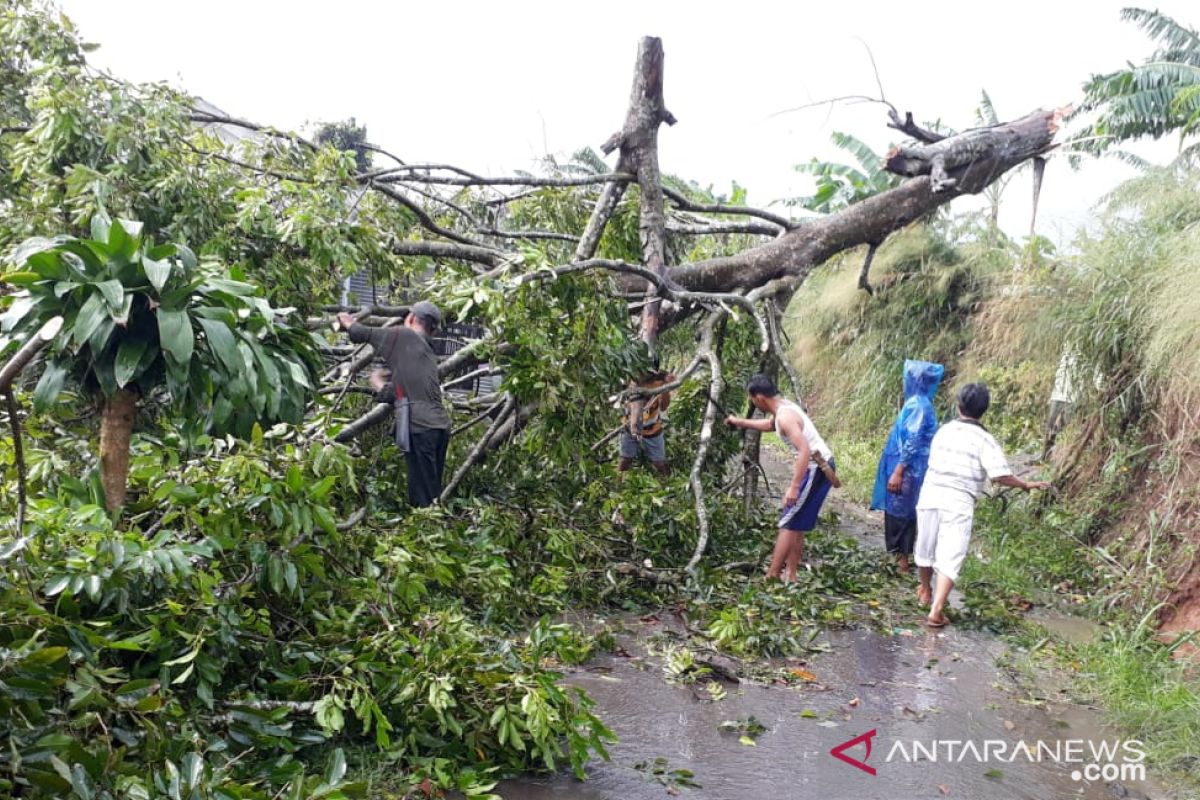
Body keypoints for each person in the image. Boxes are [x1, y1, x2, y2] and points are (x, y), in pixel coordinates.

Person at [915, 382, 1051, 627]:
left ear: (958, 406)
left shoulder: (944, 431)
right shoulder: (985, 440)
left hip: (930, 493)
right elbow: (999, 475)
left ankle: (925, 589)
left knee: (925, 546)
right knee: (950, 555)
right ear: (984, 410)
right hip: (959, 500)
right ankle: (936, 609)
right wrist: (1025, 485)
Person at [337, 301, 451, 508]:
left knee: (422, 496)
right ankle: (434, 529)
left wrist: (346, 320)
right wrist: (379, 382)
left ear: (412, 318)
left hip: (421, 427)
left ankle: (425, 533)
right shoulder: (427, 354)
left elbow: (360, 332)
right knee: (432, 491)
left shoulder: (404, 336)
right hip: (439, 428)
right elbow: (398, 394)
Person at [725, 374, 837, 582]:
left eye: (752, 399)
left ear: (760, 398)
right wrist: (739, 422)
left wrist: (794, 487)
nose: (753, 403)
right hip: (820, 465)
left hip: (815, 467)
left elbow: (804, 451)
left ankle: (772, 575)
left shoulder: (784, 416)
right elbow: (770, 426)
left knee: (787, 520)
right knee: (797, 521)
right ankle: (791, 574)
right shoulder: (783, 408)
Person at [870, 360, 945, 574]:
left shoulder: (917, 405)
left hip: (908, 470)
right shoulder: (921, 404)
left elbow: (912, 441)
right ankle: (901, 559)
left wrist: (898, 471)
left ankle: (900, 561)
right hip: (912, 469)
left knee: (900, 512)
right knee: (905, 512)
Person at [619, 361, 675, 476]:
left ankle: (668, 484)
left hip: (652, 429)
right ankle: (617, 486)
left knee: (660, 463)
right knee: (624, 461)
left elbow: (663, 406)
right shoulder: (632, 381)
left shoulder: (659, 382)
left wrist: (666, 388)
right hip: (630, 427)